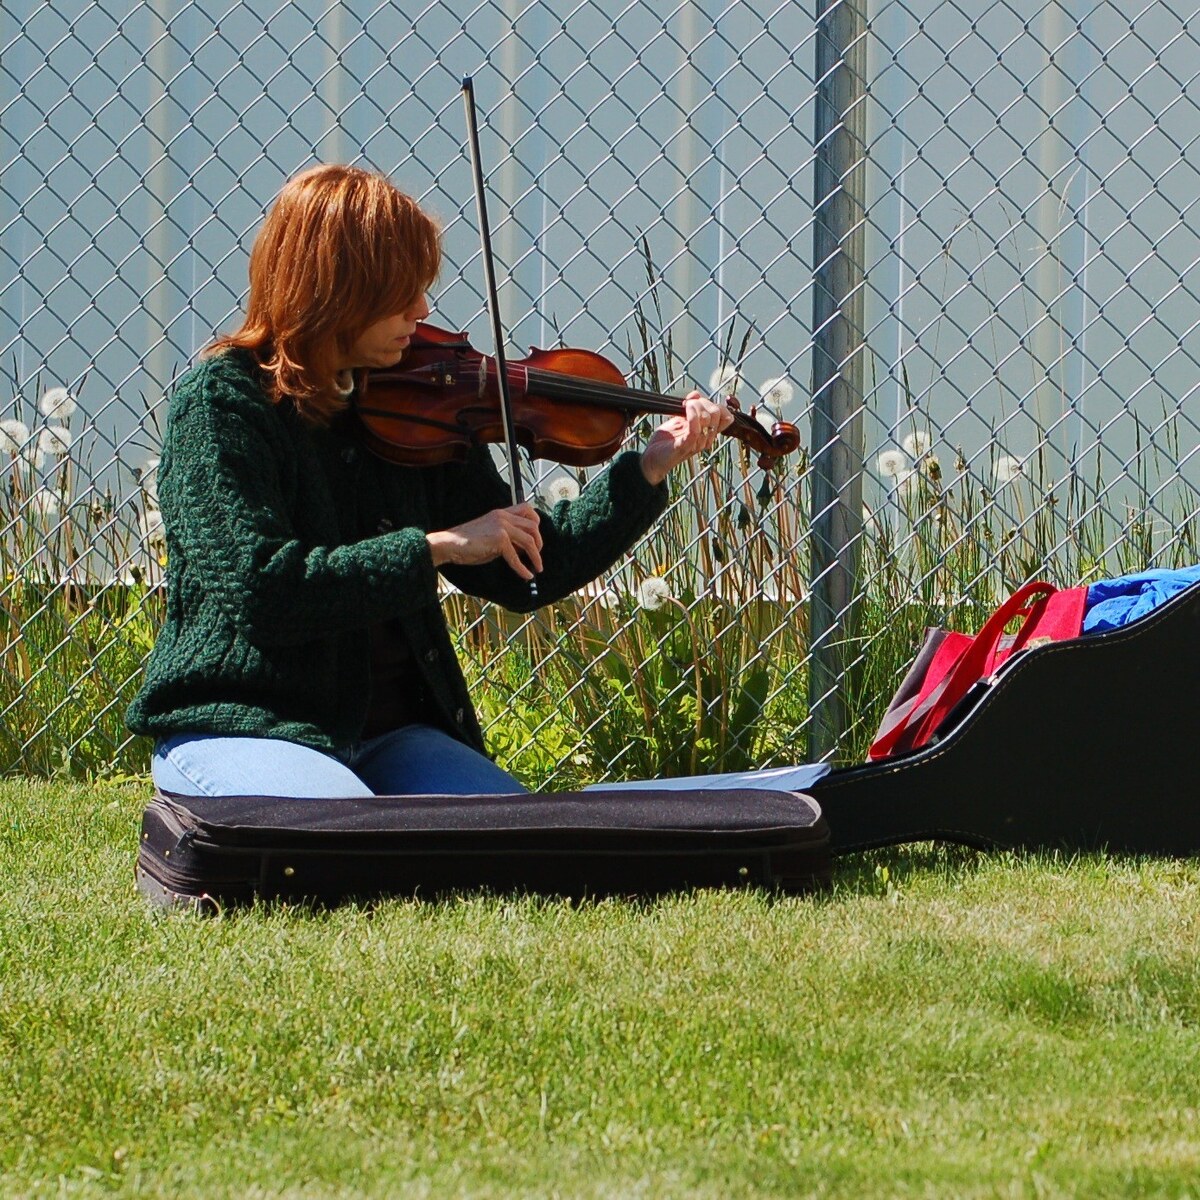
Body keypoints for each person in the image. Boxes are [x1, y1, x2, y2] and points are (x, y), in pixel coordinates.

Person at [126, 163, 733, 798]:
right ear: (336, 289)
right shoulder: (224, 404)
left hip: (394, 736)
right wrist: (436, 547)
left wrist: (647, 467)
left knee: (517, 838)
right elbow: (263, 591)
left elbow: (529, 570)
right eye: (401, 291)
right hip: (251, 723)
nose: (422, 310)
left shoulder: (417, 403)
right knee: (341, 835)